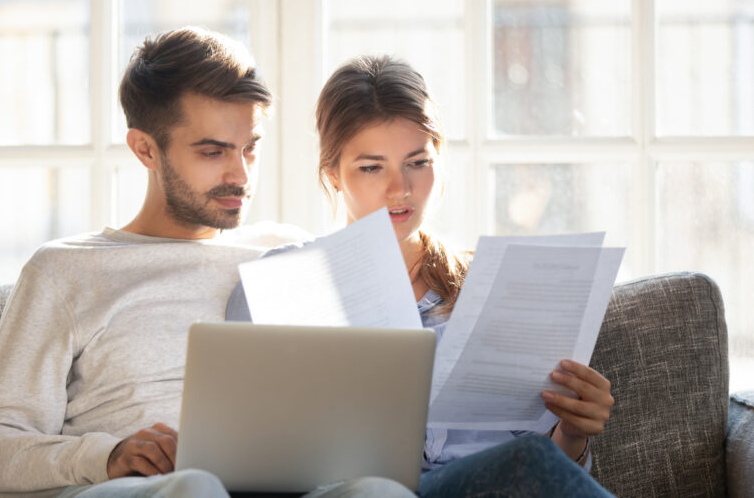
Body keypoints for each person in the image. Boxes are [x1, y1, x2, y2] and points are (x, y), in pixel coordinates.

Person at [0, 28, 408, 498]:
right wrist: (108, 456)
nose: (240, 174)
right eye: (212, 152)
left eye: (250, 147)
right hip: (141, 488)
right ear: (145, 149)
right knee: (195, 487)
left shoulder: (290, 252)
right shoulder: (66, 270)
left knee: (379, 492)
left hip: (280, 485)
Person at [227, 55, 616, 497]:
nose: (400, 189)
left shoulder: (491, 285)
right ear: (333, 174)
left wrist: (573, 433)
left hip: (498, 486)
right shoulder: (279, 284)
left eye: (417, 162)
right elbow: (246, 448)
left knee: (530, 456)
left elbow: (545, 468)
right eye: (371, 167)